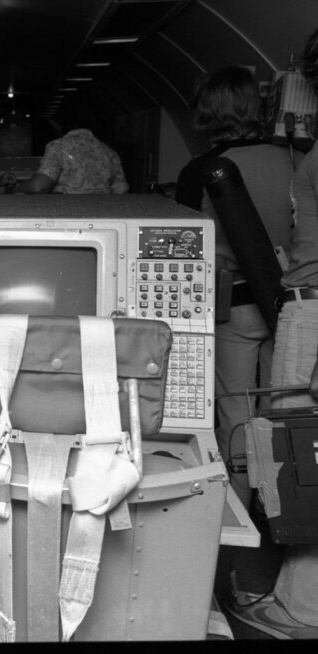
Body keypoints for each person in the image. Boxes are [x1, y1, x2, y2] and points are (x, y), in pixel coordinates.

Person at [223, 28, 318, 640]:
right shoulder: (296, 154)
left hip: (312, 312)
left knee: (300, 457)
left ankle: (300, 609)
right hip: (300, 301)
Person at [175, 66, 300, 510]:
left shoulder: (203, 170)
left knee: (236, 413)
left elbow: (185, 247)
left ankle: (237, 514)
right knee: (281, 409)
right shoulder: (294, 159)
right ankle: (280, 508)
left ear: (206, 113)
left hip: (236, 306)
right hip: (291, 304)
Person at [14, 117, 129, 194]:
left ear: (58, 125)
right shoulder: (110, 152)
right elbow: (121, 190)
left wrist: (17, 188)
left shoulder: (59, 147)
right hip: (102, 214)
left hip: (67, 213)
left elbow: (39, 186)